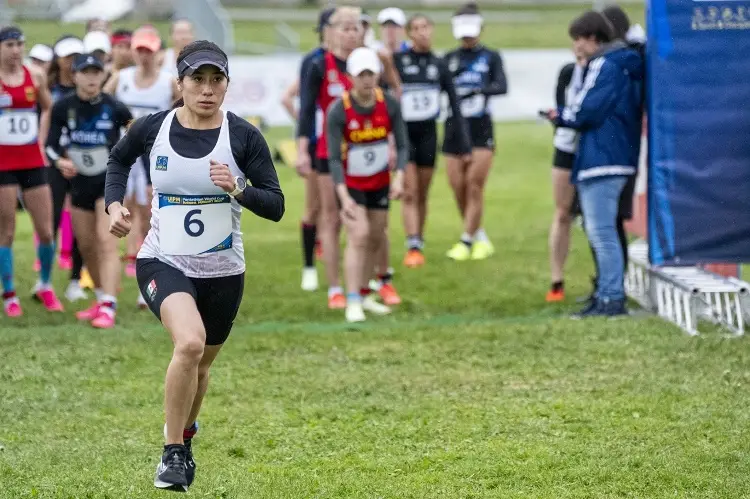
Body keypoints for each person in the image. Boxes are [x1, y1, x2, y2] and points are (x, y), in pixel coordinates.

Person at [105, 40, 284, 490]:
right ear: (179, 83)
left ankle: (185, 432)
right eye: (197, 80)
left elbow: (276, 205)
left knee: (202, 366)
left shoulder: (243, 136)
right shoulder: (152, 128)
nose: (206, 89)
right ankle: (173, 453)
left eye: (216, 80)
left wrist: (238, 187)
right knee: (188, 344)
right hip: (162, 260)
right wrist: (113, 207)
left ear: (226, 85)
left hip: (224, 270)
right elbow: (118, 160)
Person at [547, 11, 643, 317]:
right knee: (606, 231)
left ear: (593, 38)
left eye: (579, 39)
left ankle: (610, 297)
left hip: (602, 158)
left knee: (602, 233)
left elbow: (585, 110)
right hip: (618, 155)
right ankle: (606, 293)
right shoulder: (626, 62)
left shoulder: (605, 64)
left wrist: (560, 116)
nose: (577, 46)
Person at [46, 53, 132, 328]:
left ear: (102, 76)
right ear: (75, 76)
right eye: (86, 73)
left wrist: (127, 163)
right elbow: (49, 145)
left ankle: (109, 304)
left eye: (97, 72)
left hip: (108, 183)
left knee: (107, 242)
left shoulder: (115, 107)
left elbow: (135, 136)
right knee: (85, 245)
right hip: (79, 183)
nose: (93, 78)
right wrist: (61, 162)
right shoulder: (63, 107)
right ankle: (100, 297)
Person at [326, 47, 406, 322]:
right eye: (361, 75)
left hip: (380, 183)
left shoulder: (389, 103)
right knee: (358, 235)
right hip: (352, 185)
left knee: (375, 235)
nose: (366, 80)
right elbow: (334, 159)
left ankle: (364, 292)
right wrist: (343, 196)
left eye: (371, 73)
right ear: (350, 77)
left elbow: (404, 145)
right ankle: (352, 300)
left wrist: (400, 178)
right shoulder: (339, 110)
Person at [104, 25, 179, 300]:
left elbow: (178, 111)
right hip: (125, 156)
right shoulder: (120, 78)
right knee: (124, 211)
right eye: (140, 50)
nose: (144, 56)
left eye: (149, 50)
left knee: (149, 215)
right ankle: (120, 269)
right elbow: (104, 105)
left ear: (157, 52)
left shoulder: (168, 81)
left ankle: (149, 279)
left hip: (154, 157)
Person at [296, 6, 360, 310]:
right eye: (343, 27)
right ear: (330, 30)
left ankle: (364, 284)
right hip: (327, 153)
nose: (349, 33)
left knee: (365, 222)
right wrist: (300, 150)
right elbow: (306, 111)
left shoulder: (366, 63)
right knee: (329, 218)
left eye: (354, 27)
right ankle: (333, 286)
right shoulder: (318, 65)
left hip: (362, 153)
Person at [396, 13, 471, 267]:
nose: (422, 32)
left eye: (426, 27)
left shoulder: (439, 64)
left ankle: (420, 238)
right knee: (409, 191)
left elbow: (454, 104)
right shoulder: (399, 61)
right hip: (404, 135)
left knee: (422, 193)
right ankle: (412, 243)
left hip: (428, 134)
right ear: (409, 34)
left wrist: (462, 142)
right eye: (416, 28)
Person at [0, 26, 63, 316]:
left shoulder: (34, 75)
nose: (15, 50)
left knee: (46, 230)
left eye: (19, 44)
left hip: (32, 161)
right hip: (3, 165)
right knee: (7, 232)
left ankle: (45, 285)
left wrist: (40, 138)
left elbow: (48, 107)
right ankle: (9, 293)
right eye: (10, 44)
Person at [443, 2, 507, 262]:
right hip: (454, 127)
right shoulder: (449, 58)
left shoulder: (491, 56)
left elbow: (501, 85)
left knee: (474, 184)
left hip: (480, 127)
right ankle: (478, 235)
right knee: (457, 185)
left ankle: (465, 240)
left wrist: (479, 90)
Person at [289, 6, 333, 292]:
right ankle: (309, 267)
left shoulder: (353, 59)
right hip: (319, 145)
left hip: (350, 144)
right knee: (314, 208)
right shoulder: (313, 61)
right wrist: (303, 141)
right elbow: (304, 105)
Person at [47, 35, 88, 301]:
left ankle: (76, 280)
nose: (72, 62)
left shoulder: (88, 90)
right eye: (67, 57)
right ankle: (45, 281)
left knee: (81, 224)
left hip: (83, 164)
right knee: (49, 224)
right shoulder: (48, 89)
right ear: (59, 60)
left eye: (76, 57)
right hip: (54, 163)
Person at [545, 54, 585, 302]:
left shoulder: (606, 72)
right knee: (562, 213)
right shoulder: (568, 72)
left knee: (597, 220)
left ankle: (605, 281)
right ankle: (556, 280)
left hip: (595, 149)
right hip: (567, 147)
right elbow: (561, 109)